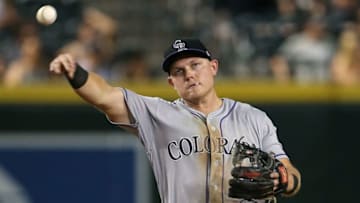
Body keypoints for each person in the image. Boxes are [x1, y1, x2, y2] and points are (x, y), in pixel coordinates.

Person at [49, 38, 301, 203]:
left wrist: (285, 178)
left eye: (195, 65)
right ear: (172, 82)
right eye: (179, 71)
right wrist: (75, 72)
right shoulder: (157, 114)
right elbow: (104, 95)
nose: (189, 74)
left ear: (213, 67)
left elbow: (290, 174)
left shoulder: (253, 117)